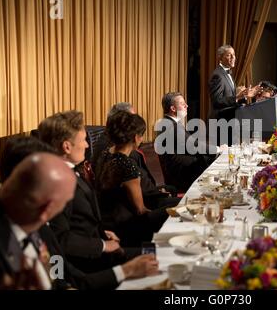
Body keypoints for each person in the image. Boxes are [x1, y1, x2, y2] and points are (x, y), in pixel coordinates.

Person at [0, 153, 159, 290]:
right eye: (61, 206)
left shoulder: (40, 228)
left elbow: (62, 276)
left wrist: (126, 271)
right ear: (46, 209)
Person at [38, 111, 142, 274]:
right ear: (67, 146)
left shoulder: (69, 172)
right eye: (83, 140)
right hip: (87, 264)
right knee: (160, 257)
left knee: (160, 253)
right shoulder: (57, 183)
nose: (87, 145)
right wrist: (102, 245)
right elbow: (60, 238)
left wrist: (101, 234)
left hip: (97, 246)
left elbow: (79, 221)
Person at [95, 112, 171, 247]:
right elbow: (140, 210)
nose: (142, 139)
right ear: (136, 138)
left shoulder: (105, 154)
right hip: (126, 224)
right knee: (177, 210)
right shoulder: (127, 164)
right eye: (141, 136)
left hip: (105, 220)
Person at [156, 92, 216, 192]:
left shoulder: (170, 123)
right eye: (182, 104)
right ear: (173, 109)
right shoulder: (171, 126)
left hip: (184, 170)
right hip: (183, 176)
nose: (187, 106)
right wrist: (217, 149)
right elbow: (193, 146)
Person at [208, 45, 259, 120]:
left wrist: (245, 95)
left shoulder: (228, 73)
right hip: (221, 121)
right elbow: (216, 101)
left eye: (234, 54)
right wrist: (238, 96)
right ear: (220, 58)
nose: (233, 57)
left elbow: (231, 99)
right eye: (229, 55)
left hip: (231, 118)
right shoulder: (217, 75)